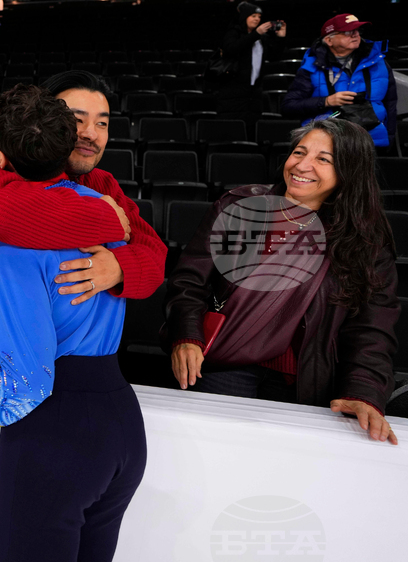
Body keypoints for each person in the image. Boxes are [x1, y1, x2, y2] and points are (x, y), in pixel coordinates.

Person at [0, 85, 146, 562]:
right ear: (66, 146)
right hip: (121, 424)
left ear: (0, 153)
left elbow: (26, 381)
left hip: (57, 437)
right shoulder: (107, 213)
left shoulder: (12, 244)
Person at [163, 118, 398, 444]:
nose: (302, 165)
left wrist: (363, 391)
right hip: (227, 359)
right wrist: (186, 336)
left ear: (349, 171)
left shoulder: (366, 243)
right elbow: (189, 280)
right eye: (299, 152)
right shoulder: (238, 207)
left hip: (306, 376)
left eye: (323, 159)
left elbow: (372, 328)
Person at [0, 71, 166, 365]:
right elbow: (10, 214)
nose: (91, 133)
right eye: (77, 120)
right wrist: (108, 219)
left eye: (102, 122)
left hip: (58, 363)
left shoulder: (103, 185)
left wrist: (118, 267)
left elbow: (155, 256)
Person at [281, 14, 398, 151]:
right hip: (327, 143)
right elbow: (288, 107)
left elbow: (390, 104)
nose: (355, 35)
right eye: (348, 32)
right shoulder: (311, 67)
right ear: (329, 40)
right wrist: (326, 101)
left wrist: (390, 139)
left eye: (357, 30)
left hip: (372, 142)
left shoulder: (379, 62)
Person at [215, 2, 286, 132]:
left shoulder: (261, 38)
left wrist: (280, 38)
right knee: (233, 132)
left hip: (254, 94)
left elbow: (274, 57)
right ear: (244, 17)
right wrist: (255, 34)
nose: (257, 19)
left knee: (252, 131)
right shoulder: (234, 32)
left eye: (259, 16)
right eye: (253, 15)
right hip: (232, 93)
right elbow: (230, 49)